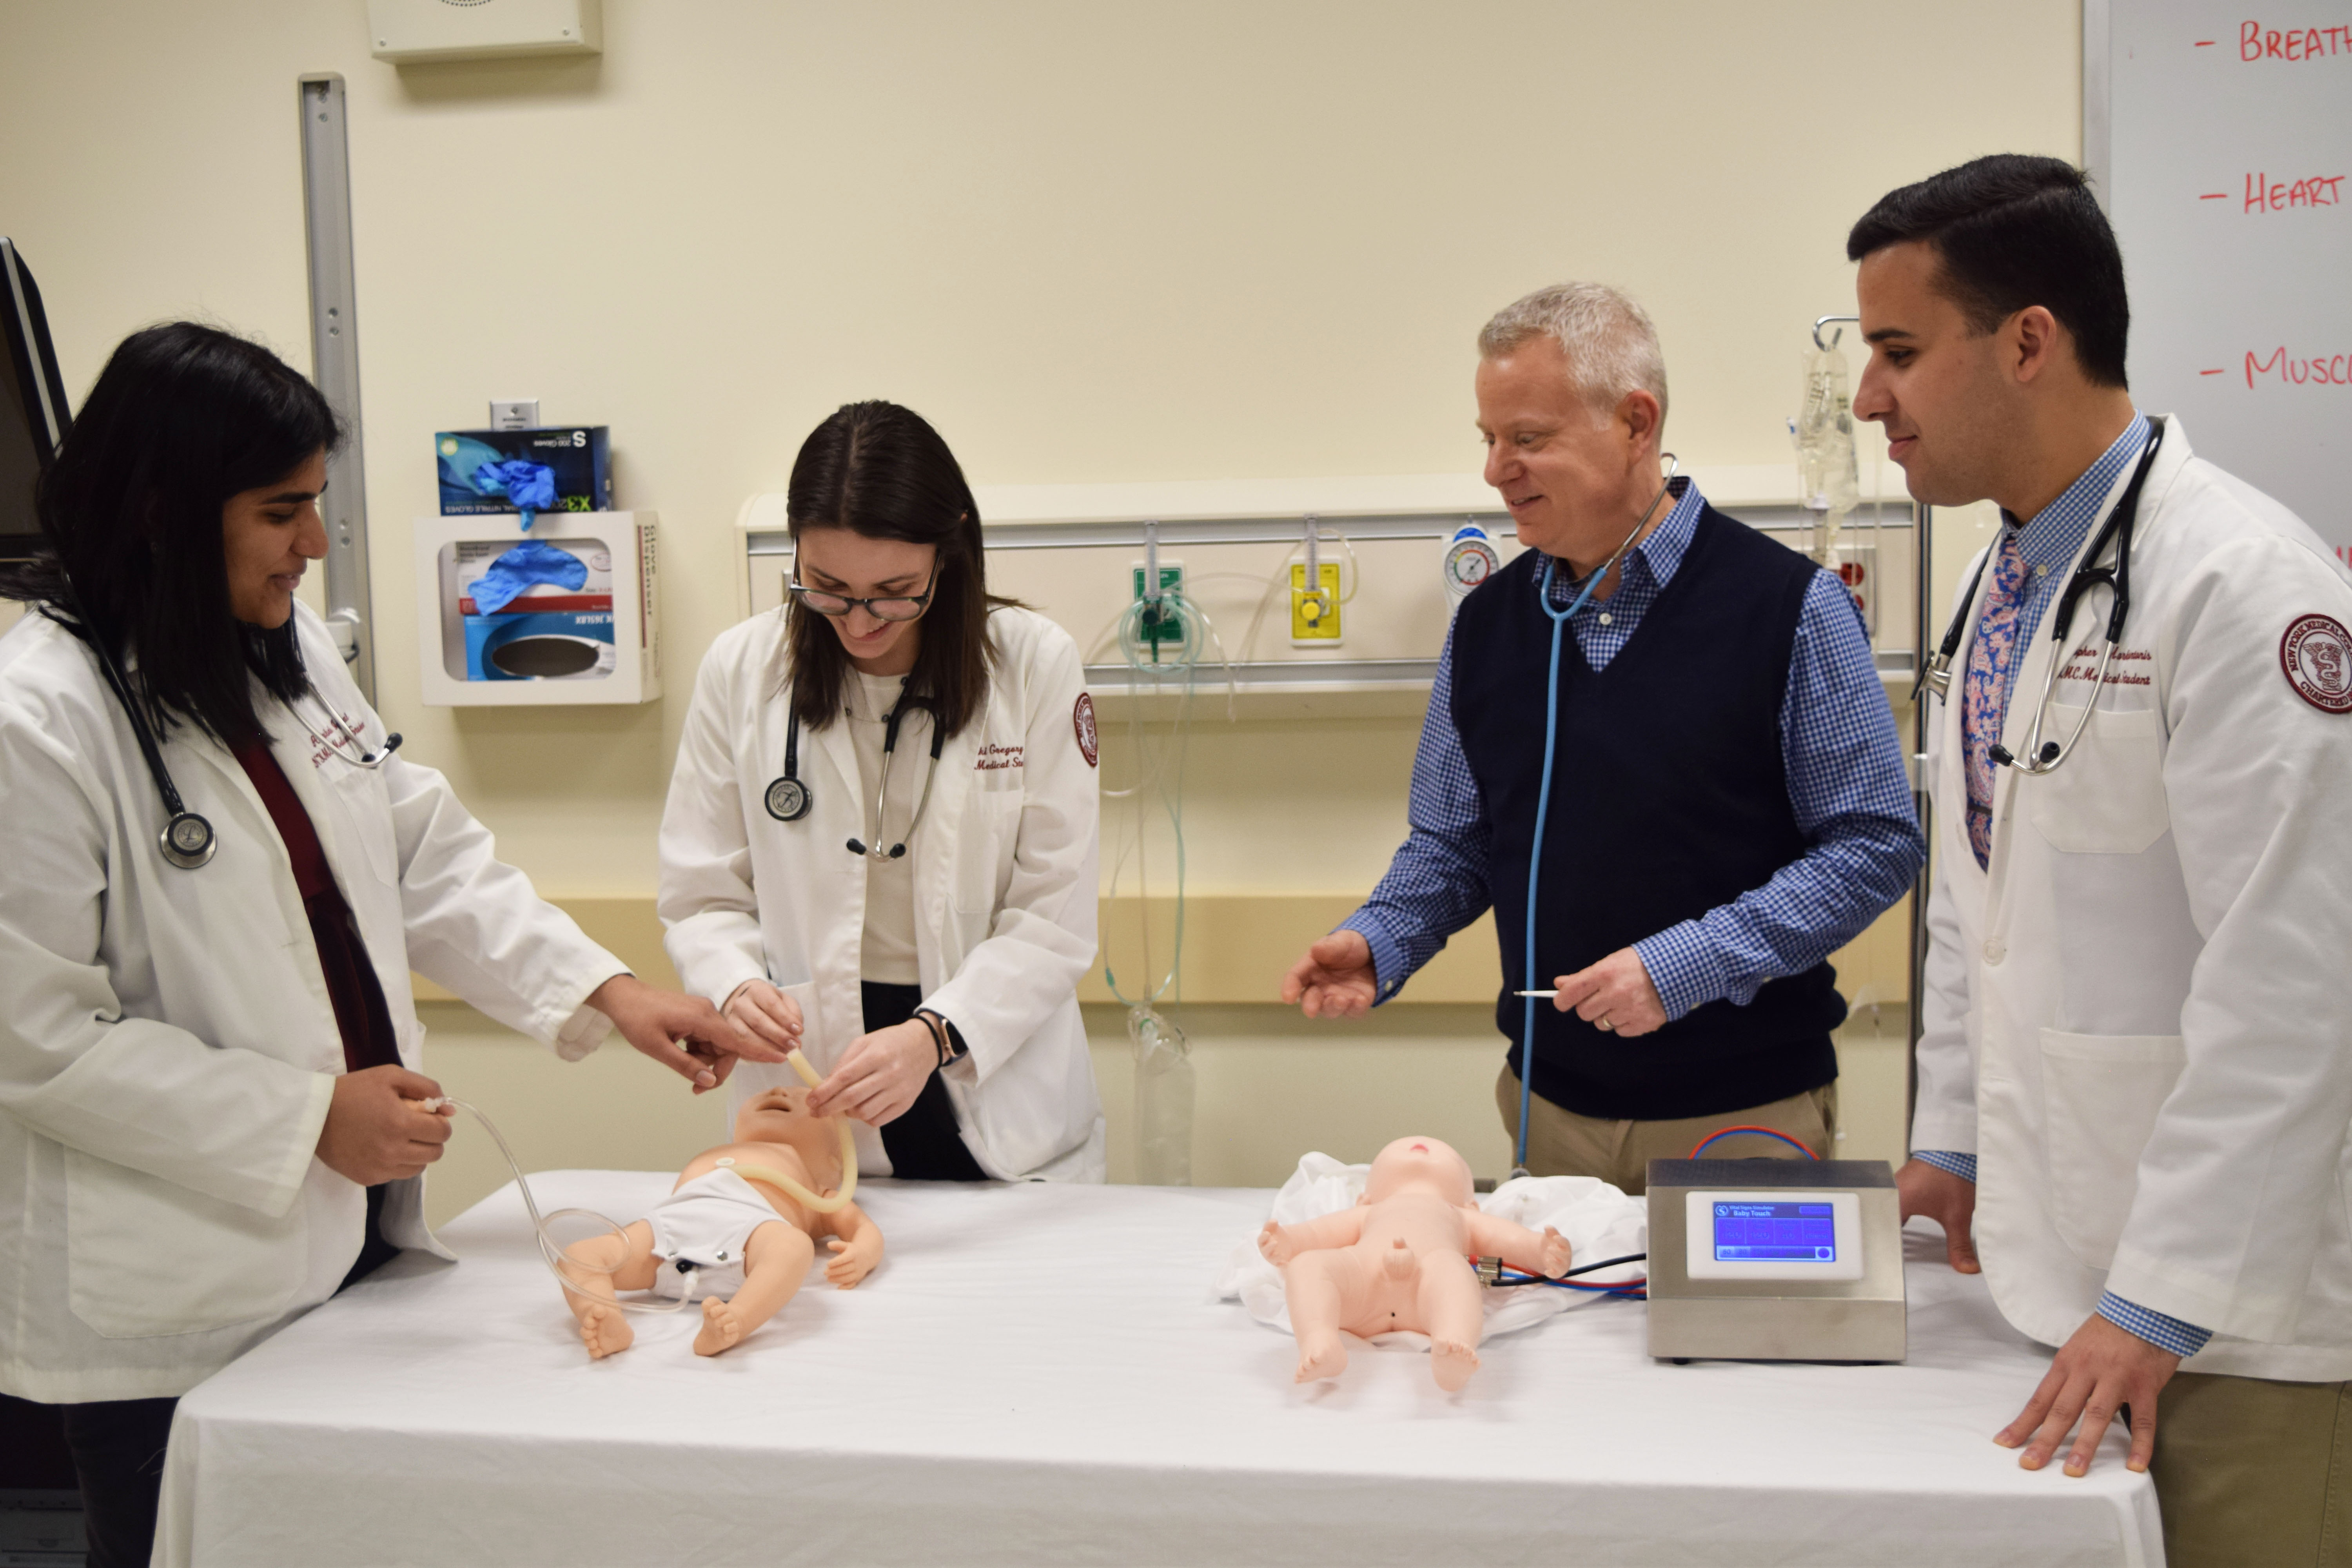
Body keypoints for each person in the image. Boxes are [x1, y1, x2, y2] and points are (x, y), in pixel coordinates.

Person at [0, 323, 774, 1567]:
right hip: (177, 1297)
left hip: (347, 1249)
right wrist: (306, 1117)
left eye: (313, 505)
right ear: (158, 511)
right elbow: (38, 1044)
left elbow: (417, 849)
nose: (313, 543)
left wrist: (611, 990)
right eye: (279, 511)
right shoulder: (33, 724)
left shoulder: (284, 651)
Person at [1851, 154, 2352, 1565]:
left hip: (2235, 1329)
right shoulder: (2000, 578)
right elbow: (1979, 899)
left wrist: (2162, 1301)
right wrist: (1946, 1141)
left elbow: (2297, 989)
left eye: (1898, 352)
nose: (1866, 399)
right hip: (2056, 1284)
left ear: (2028, 340)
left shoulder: (2245, 590)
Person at [1280, 282, 1923, 1191]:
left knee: (1733, 1340)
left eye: (1529, 438)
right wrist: (1383, 937)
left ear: (1635, 422)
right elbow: (1455, 843)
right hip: (1552, 1112)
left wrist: (1683, 965)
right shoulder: (1491, 626)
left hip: (1739, 1114)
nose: (1498, 470)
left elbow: (1874, 844)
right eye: (1489, 439)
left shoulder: (1789, 608)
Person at [660, 400, 1104, 1181]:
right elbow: (701, 893)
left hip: (984, 1058)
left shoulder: (1033, 664)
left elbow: (1052, 911)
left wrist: (932, 1035)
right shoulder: (741, 670)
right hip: (812, 1068)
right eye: (828, 587)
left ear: (951, 549)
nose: (862, 622)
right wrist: (733, 982)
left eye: (895, 590)